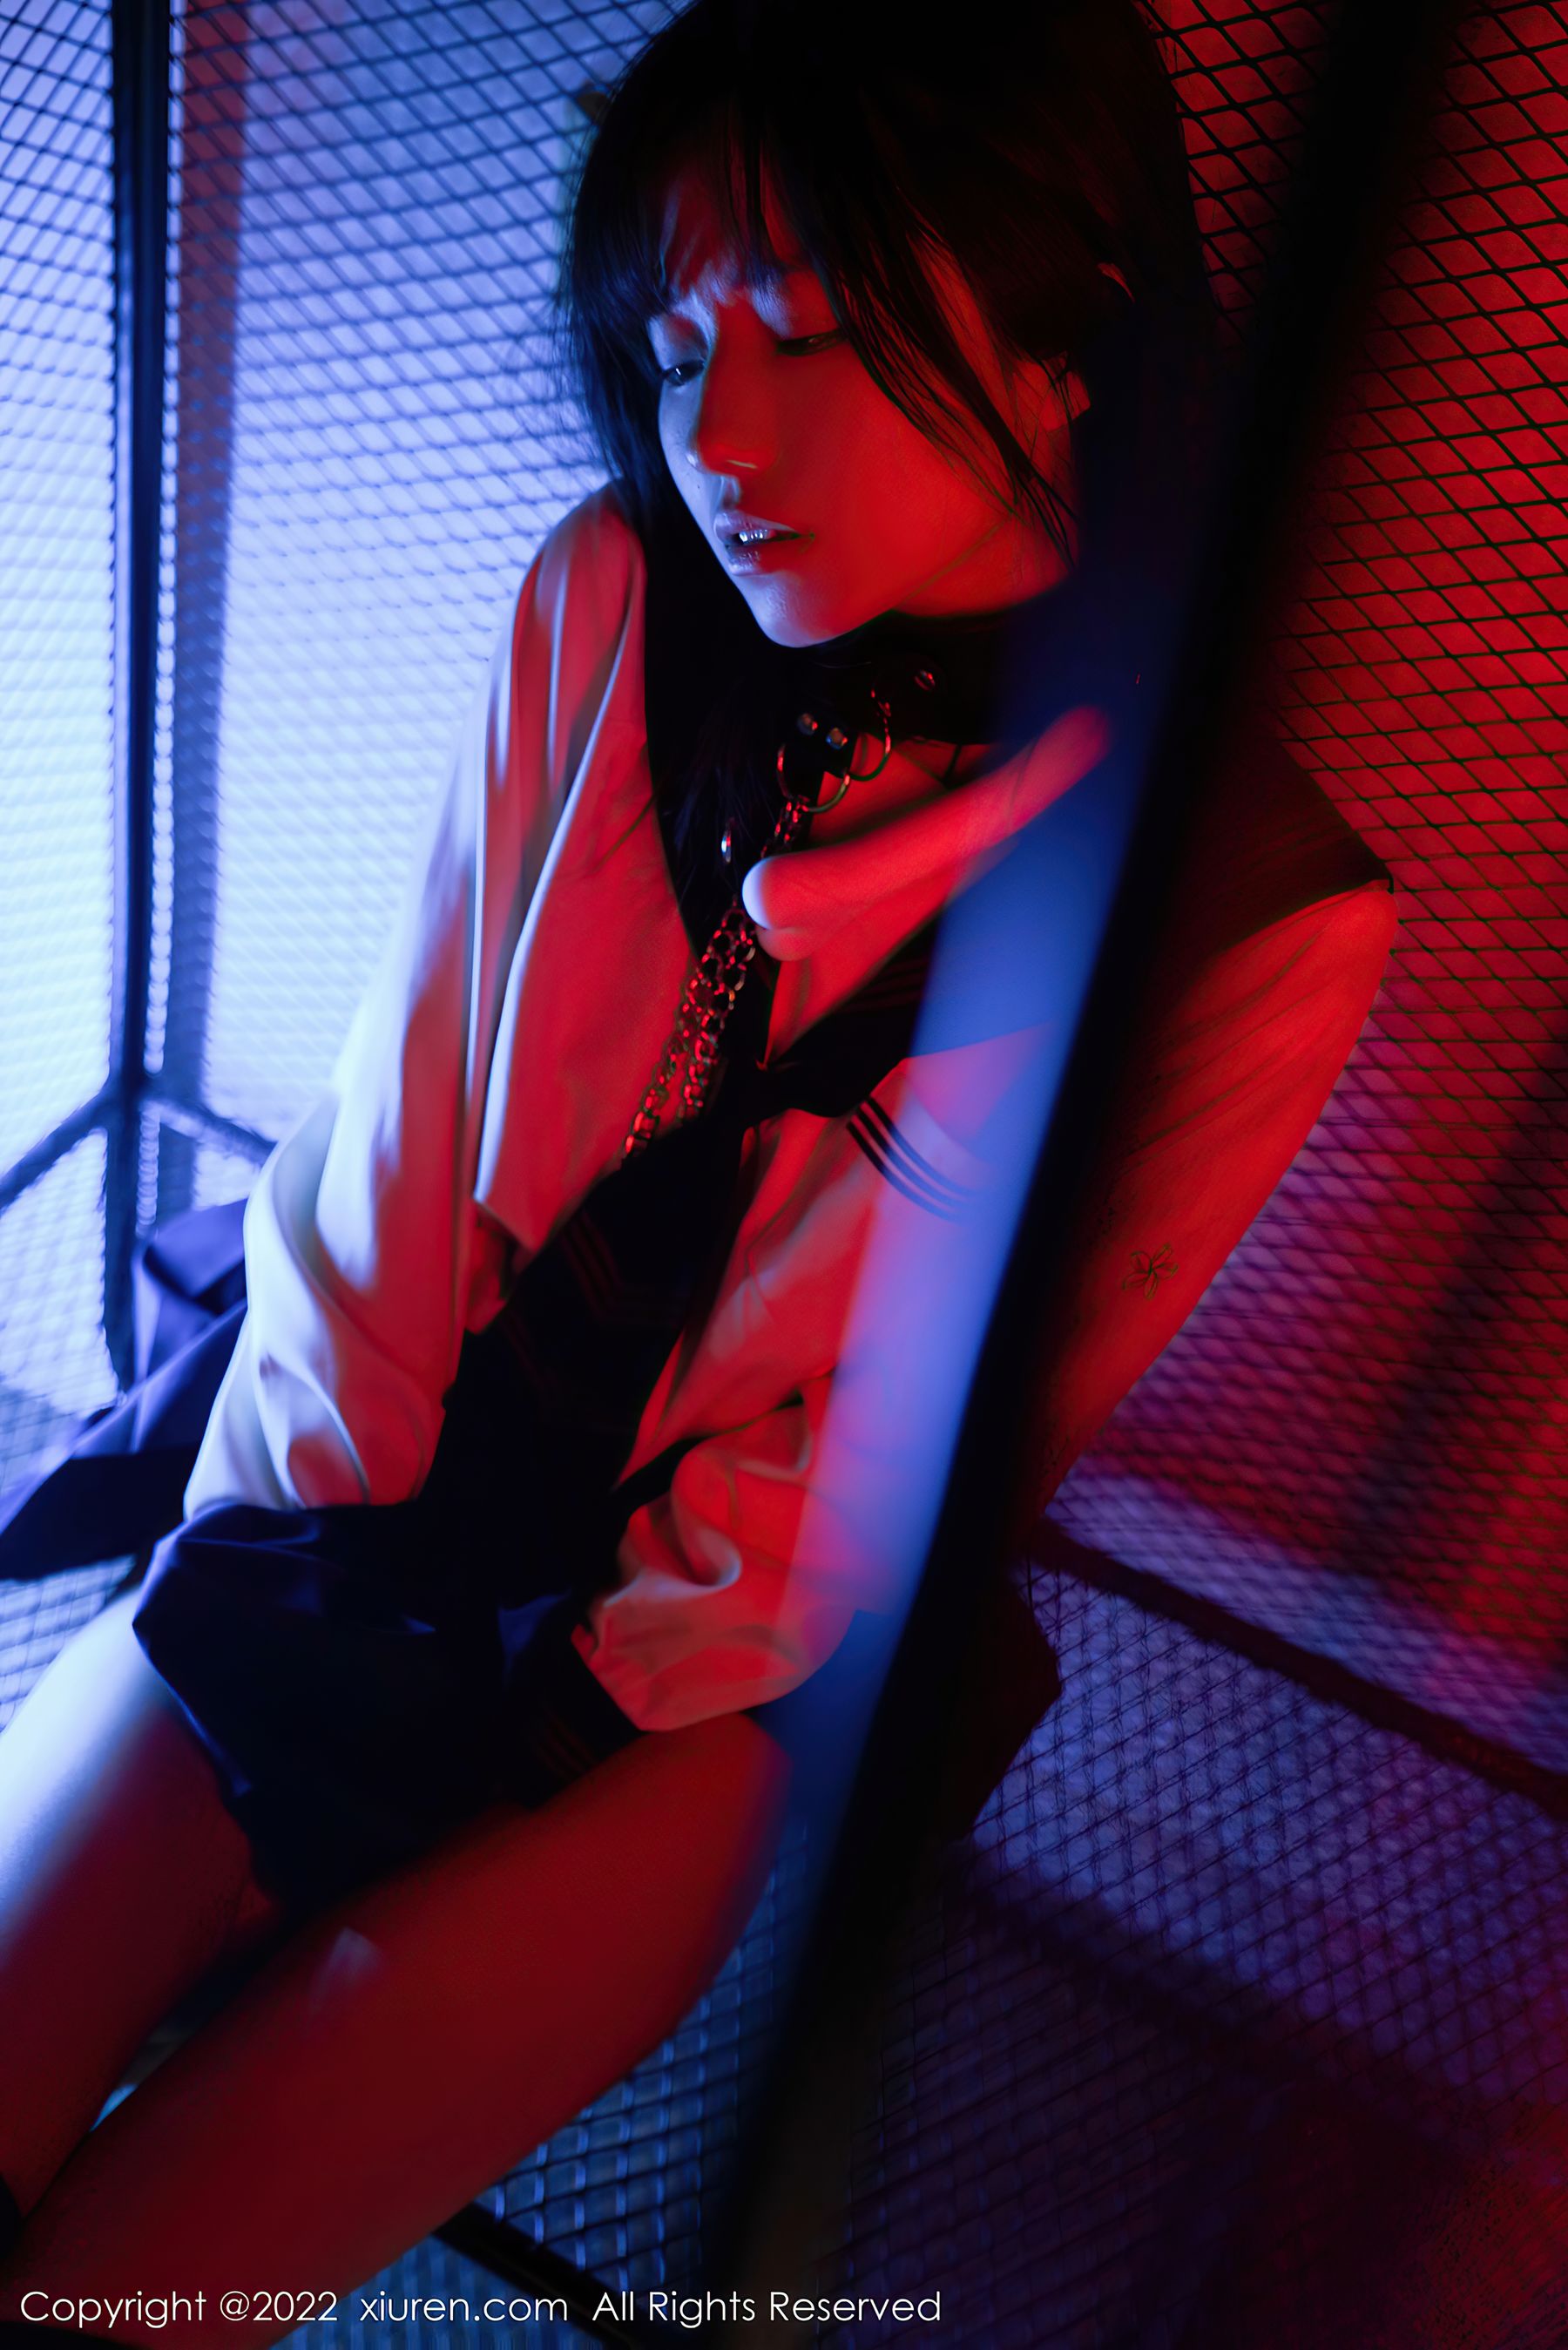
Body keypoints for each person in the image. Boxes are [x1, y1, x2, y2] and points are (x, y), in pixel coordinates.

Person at [0, 1, 1396, 2339]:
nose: (716, 432)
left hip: (686, 1679)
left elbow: (896, 1460)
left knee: (127, 2299)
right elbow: (392, 1134)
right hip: (359, 1496)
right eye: (669, 347)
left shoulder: (1239, 916)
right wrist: (307, 1535)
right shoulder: (608, 595)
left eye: (813, 329)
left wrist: (563, 1712)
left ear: (1068, 342)